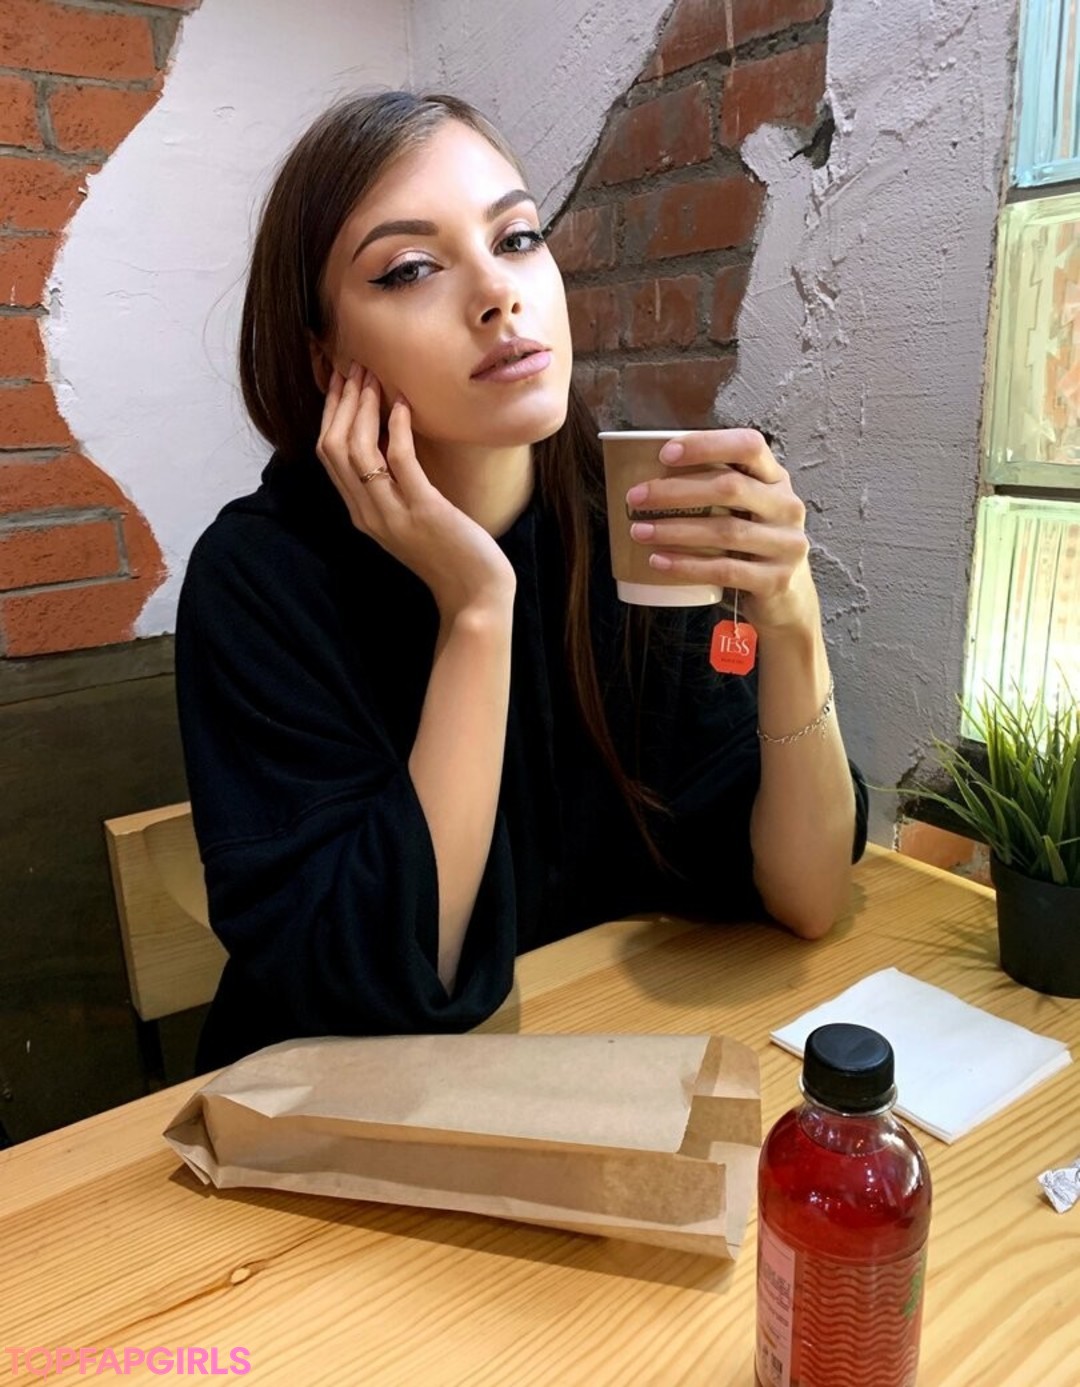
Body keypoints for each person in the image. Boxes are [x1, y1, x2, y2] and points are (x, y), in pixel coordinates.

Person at [175, 90, 868, 1071]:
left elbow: (806, 895)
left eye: (517, 238)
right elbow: (380, 987)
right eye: (410, 268)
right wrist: (476, 607)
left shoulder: (628, 519)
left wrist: (789, 613)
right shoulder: (259, 578)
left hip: (604, 1066)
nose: (498, 293)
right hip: (362, 1112)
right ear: (328, 358)